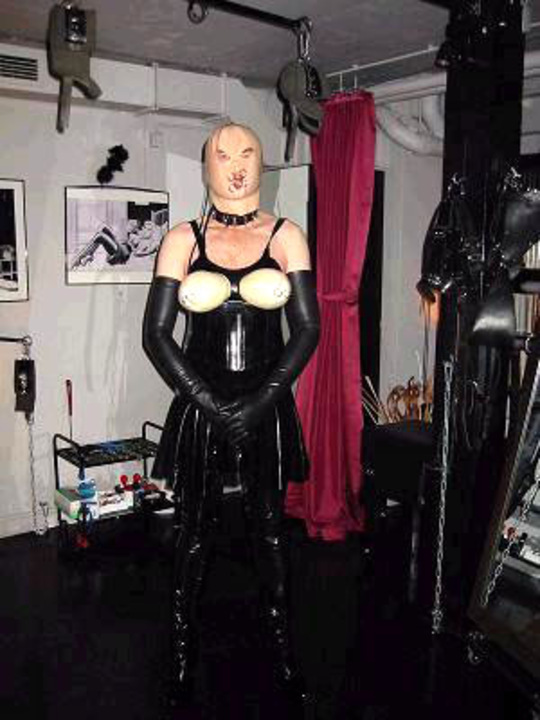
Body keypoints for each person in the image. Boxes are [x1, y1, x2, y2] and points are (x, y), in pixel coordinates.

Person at [142, 122, 320, 712]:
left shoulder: (288, 236)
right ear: (207, 167)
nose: (237, 164)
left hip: (266, 407)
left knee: (270, 533)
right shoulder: (182, 240)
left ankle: (285, 649)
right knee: (193, 532)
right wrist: (208, 401)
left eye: (247, 153)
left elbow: (308, 328)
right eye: (224, 154)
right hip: (203, 407)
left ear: (261, 163)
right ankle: (181, 650)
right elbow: (156, 334)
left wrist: (262, 399)